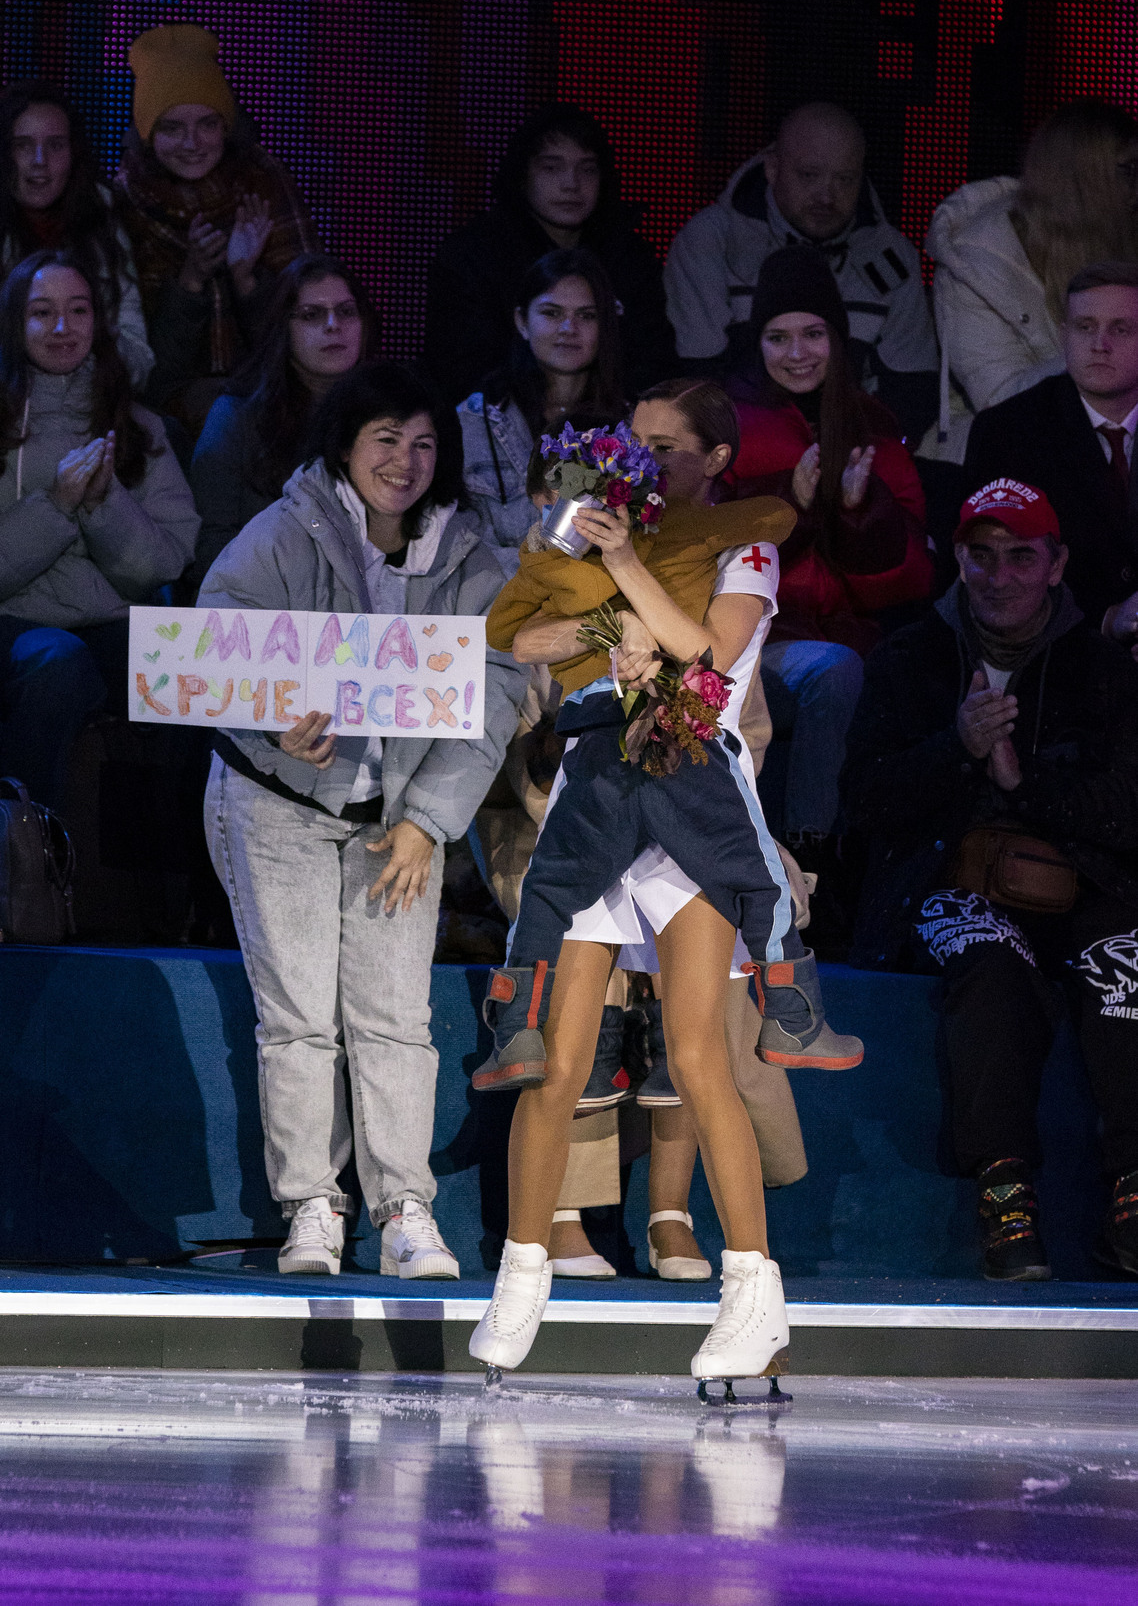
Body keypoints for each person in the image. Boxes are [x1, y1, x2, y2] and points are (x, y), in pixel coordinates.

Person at [466, 387, 861, 1386]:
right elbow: (517, 637)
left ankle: (753, 1295)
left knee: (694, 1054)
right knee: (557, 1057)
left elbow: (707, 653)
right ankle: (521, 1272)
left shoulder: (742, 546)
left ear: (715, 457)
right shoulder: (600, 537)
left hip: (693, 798)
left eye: (663, 446)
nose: (639, 462)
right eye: (630, 443)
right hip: (595, 790)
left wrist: (624, 577)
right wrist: (606, 621)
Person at [198, 363, 526, 1281]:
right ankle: (313, 1205)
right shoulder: (284, 531)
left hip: (397, 820)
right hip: (278, 803)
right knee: (300, 1017)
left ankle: (404, 1210)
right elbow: (214, 646)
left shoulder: (470, 555)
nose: (405, 461)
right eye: (386, 439)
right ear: (345, 444)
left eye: (424, 443)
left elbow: (497, 688)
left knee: (394, 1018)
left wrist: (428, 818)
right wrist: (273, 719)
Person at [842, 480, 1138, 1280]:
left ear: (1057, 564)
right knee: (993, 965)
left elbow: (1127, 811)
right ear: (958, 559)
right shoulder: (910, 658)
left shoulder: (1104, 671)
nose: (999, 576)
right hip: (952, 882)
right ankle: (1006, 1204)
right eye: (982, 556)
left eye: (1021, 557)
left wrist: (1022, 782)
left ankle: (1133, 1201)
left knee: (1127, 966)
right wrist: (958, 748)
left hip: (1086, 886)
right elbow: (863, 801)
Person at [718, 244, 932, 873]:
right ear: (756, 342)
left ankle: (840, 869)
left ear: (837, 339)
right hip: (749, 642)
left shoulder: (874, 425)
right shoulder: (723, 420)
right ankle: (810, 857)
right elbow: (700, 546)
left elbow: (911, 578)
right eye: (778, 337)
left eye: (813, 334)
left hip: (851, 639)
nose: (797, 352)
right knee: (834, 671)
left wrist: (862, 511)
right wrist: (792, 502)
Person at [0, 251, 199, 807]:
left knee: (199, 669)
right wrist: (56, 506)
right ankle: (26, 841)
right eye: (42, 312)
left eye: (78, 310)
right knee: (57, 663)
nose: (62, 327)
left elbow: (161, 567)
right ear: (15, 324)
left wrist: (102, 506)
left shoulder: (139, 427)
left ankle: (179, 856)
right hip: (14, 624)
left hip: (111, 622)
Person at [664, 102, 937, 444]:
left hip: (851, 451)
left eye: (845, 179)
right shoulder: (711, 241)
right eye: (809, 175)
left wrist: (850, 457)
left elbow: (911, 393)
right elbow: (697, 379)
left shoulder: (893, 257)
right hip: (736, 449)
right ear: (772, 168)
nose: (826, 196)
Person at [113, 24, 322, 437]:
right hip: (163, 416)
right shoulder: (125, 202)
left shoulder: (263, 181)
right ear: (147, 134)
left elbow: (308, 327)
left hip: (270, 399)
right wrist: (190, 282)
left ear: (226, 127)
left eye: (207, 124)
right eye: (172, 128)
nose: (192, 143)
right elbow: (139, 362)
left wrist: (246, 280)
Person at [926, 99, 1138, 461]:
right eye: (1128, 170)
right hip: (1006, 461)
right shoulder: (973, 267)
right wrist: (1099, 348)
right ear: (1085, 181)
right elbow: (1004, 403)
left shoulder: (1126, 235)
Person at [423, 102, 674, 405]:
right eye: (552, 167)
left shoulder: (630, 258)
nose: (571, 184)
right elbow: (459, 368)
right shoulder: (472, 256)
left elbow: (654, 364)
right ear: (522, 175)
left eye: (587, 169)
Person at [963, 262, 1138, 638]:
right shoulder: (1008, 432)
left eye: (1120, 329)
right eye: (1085, 327)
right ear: (1064, 335)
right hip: (1058, 650)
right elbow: (993, 578)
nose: (1100, 345)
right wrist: (1108, 619)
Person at [187, 254, 377, 586]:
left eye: (347, 312)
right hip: (257, 600)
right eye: (312, 314)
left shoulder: (389, 417)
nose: (333, 325)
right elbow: (210, 546)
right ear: (283, 328)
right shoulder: (235, 417)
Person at [458, 247, 628, 576]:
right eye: (551, 313)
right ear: (522, 321)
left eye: (587, 316)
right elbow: (461, 544)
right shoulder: (475, 421)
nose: (569, 327)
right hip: (494, 596)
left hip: (601, 597)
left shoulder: (633, 426)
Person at [0, 81, 153, 390]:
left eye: (55, 145)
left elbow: (137, 353)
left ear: (73, 153)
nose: (40, 160)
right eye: (23, 145)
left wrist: (91, 365)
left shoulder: (103, 221)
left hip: (90, 401)